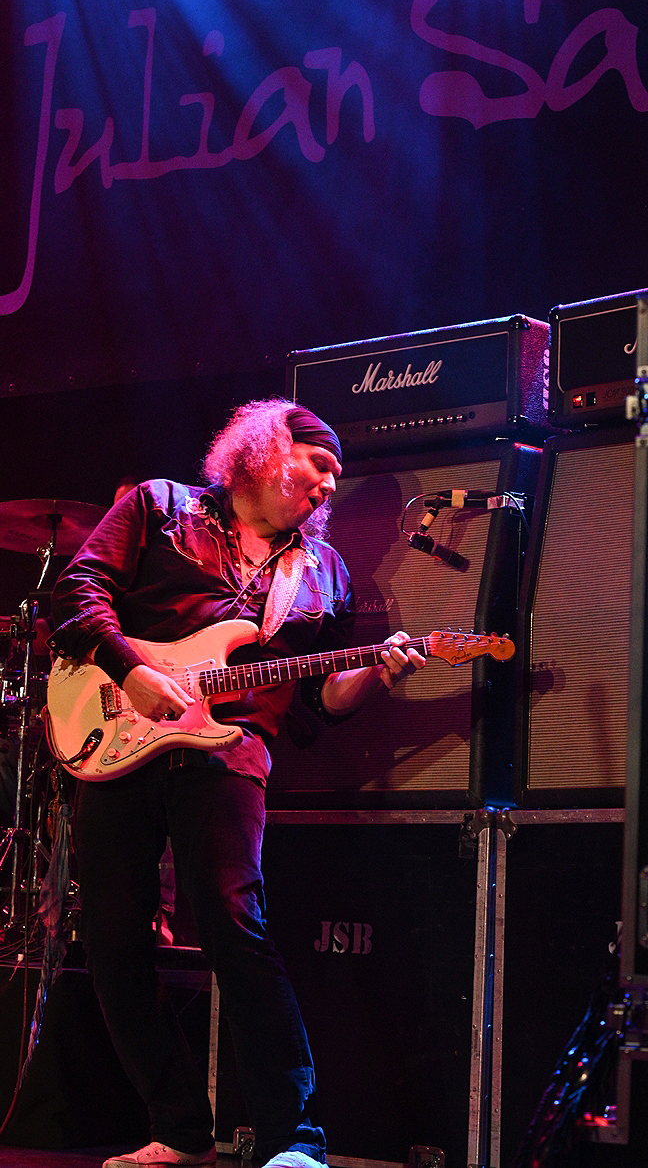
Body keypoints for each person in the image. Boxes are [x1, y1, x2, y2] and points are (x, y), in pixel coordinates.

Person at [48, 399, 426, 1168]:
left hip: (229, 752)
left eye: (337, 478)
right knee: (114, 939)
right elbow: (78, 593)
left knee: (233, 923)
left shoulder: (322, 574)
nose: (329, 486)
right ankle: (179, 1131)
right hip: (118, 731)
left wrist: (375, 676)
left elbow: (318, 704)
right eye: (319, 466)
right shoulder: (159, 506)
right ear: (266, 449)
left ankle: (295, 1140)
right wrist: (133, 671)